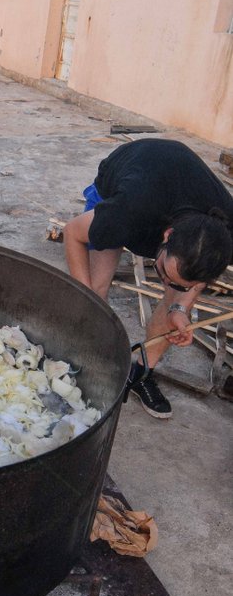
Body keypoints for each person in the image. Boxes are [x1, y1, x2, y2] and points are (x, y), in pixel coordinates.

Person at [63, 139, 233, 419]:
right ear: (166, 237)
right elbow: (72, 233)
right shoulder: (127, 211)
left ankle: (140, 371)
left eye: (181, 283)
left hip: (173, 188)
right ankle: (85, 364)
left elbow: (193, 278)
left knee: (175, 310)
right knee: (96, 293)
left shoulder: (222, 235)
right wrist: (87, 297)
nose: (168, 283)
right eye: (166, 274)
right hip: (129, 176)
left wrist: (180, 307)